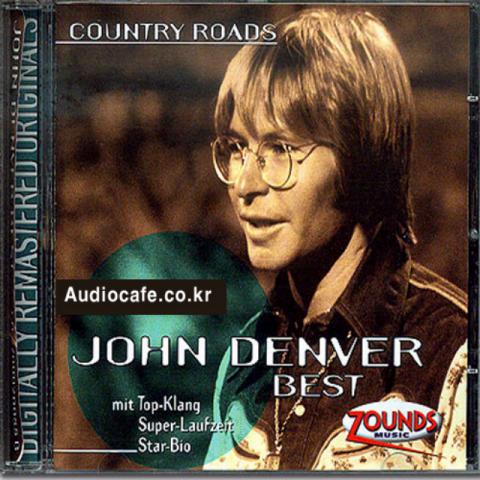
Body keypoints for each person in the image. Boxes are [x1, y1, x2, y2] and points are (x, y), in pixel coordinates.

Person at [204, 8, 468, 471]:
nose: (245, 184)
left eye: (280, 148)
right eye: (237, 148)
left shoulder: (453, 353)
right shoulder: (243, 360)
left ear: (359, 158)